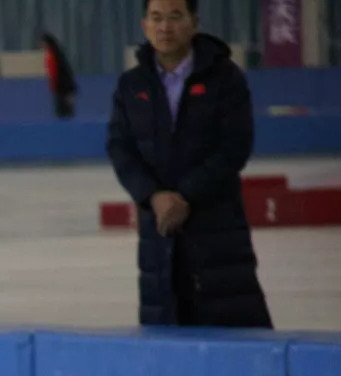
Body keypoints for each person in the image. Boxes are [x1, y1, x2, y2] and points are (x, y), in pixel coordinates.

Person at [105, 0, 272, 328]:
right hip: (159, 237)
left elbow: (234, 147)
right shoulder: (132, 85)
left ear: (194, 23)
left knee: (233, 337)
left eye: (174, 17)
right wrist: (153, 196)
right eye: (156, 18)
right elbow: (119, 148)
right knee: (167, 343)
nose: (164, 27)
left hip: (218, 233)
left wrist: (185, 197)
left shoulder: (225, 78)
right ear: (145, 26)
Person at [40, 33, 77, 119]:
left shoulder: (55, 54)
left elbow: (62, 73)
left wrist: (68, 89)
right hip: (59, 87)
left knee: (64, 112)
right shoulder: (52, 53)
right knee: (62, 111)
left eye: (42, 42)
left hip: (62, 88)